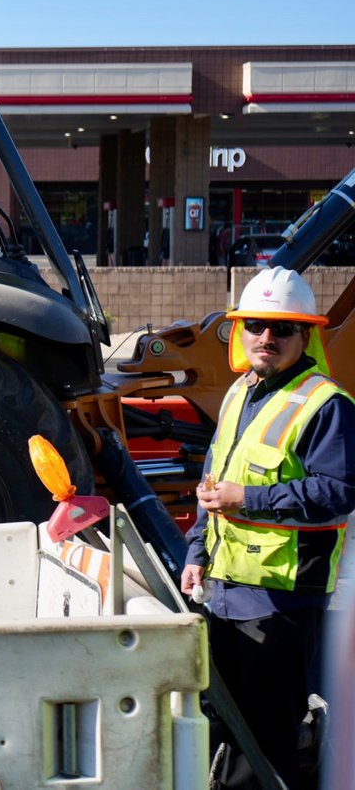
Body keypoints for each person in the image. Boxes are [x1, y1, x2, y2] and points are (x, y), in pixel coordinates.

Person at [180, 267, 355, 788]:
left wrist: (248, 498)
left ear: (307, 336)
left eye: (282, 329)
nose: (266, 337)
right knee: (229, 732)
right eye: (256, 325)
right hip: (225, 594)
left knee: (267, 739)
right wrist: (195, 554)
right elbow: (213, 487)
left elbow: (339, 494)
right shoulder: (240, 392)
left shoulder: (327, 405)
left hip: (282, 603)